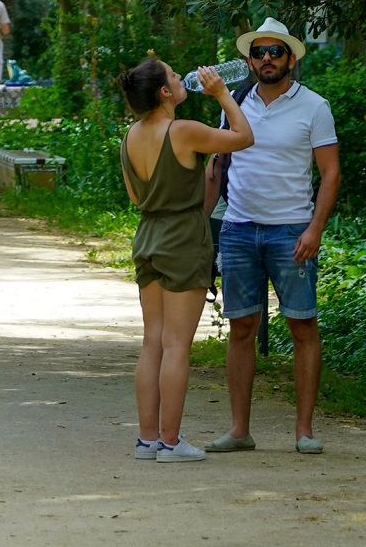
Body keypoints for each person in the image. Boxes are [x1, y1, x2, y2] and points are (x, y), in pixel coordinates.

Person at [205, 17, 340, 456]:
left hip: (291, 231)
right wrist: (203, 230)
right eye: (259, 52)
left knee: (302, 326)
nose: (266, 59)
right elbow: (215, 168)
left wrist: (314, 228)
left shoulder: (314, 107)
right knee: (241, 327)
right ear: (248, 59)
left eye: (275, 52)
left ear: (291, 58)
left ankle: (304, 431)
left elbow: (330, 171)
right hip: (239, 229)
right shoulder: (234, 101)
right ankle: (239, 430)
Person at [117, 57, 254, 462]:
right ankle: (171, 442)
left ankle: (147, 441)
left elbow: (136, 197)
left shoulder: (130, 136)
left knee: (153, 343)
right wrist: (223, 94)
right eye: (176, 77)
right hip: (183, 238)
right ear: (164, 92)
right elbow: (244, 137)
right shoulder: (184, 131)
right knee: (177, 345)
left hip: (148, 237)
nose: (183, 79)